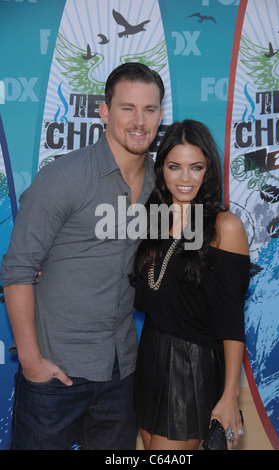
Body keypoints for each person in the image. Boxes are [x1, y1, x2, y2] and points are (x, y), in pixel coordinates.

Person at [0, 62, 164, 450]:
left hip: (122, 372)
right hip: (55, 374)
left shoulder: (163, 184)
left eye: (150, 109)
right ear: (105, 112)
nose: (139, 121)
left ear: (160, 114)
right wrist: (32, 362)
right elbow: (18, 270)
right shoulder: (64, 177)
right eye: (127, 108)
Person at [130, 120, 250, 450]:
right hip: (150, 357)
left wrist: (229, 396)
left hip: (192, 366)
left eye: (195, 167)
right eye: (175, 167)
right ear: (161, 169)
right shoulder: (152, 219)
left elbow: (231, 321)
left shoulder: (225, 226)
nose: (185, 179)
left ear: (208, 170)